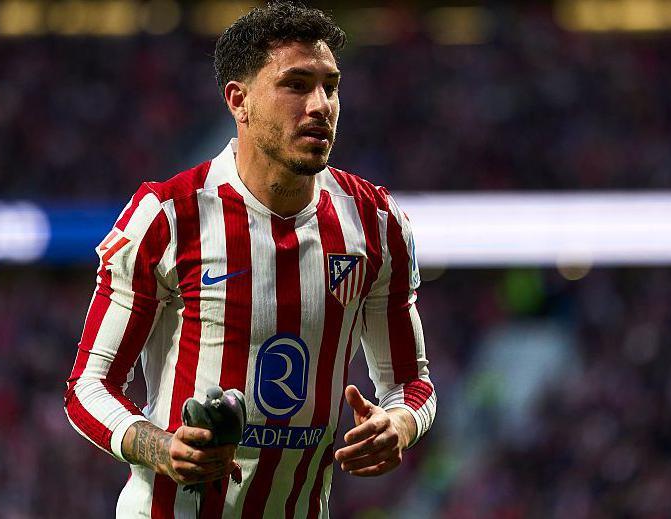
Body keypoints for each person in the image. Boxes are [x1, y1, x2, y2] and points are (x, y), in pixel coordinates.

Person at [64, 2, 436, 517]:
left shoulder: (376, 222)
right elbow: (89, 386)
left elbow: (411, 383)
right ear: (239, 101)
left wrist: (399, 424)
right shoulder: (169, 216)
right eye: (296, 85)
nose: (321, 105)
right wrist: (160, 447)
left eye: (330, 86)